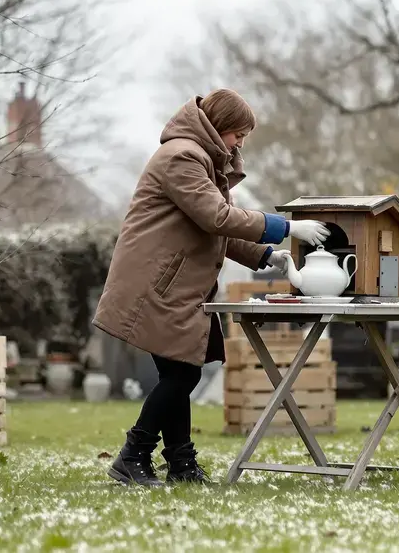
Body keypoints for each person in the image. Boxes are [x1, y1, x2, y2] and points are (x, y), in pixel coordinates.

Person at [93, 88, 331, 487]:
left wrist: (266, 255)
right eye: (237, 133)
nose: (240, 142)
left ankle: (181, 465)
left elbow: (215, 228)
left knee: (179, 371)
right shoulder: (182, 157)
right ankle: (133, 456)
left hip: (171, 283)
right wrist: (287, 227)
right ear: (217, 126)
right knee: (182, 375)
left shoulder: (198, 158)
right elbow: (216, 215)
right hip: (157, 283)